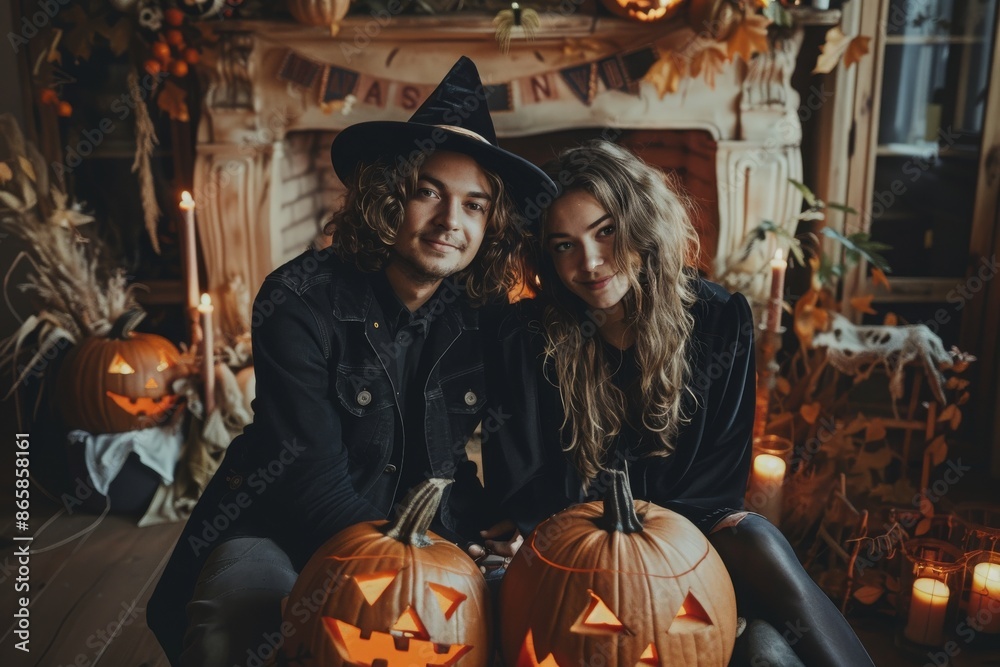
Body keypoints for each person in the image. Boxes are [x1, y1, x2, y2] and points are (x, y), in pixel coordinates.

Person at [147, 57, 555, 667]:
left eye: (474, 205)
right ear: (388, 196)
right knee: (235, 626)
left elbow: (518, 436)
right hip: (281, 525)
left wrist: (514, 523)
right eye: (428, 192)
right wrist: (419, 566)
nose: (450, 222)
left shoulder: (485, 313)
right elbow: (310, 480)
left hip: (428, 528)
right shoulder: (298, 300)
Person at [481, 140, 876, 667]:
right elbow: (521, 484)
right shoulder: (527, 337)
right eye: (564, 245)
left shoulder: (719, 320)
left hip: (692, 541)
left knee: (756, 538)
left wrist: (655, 541)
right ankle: (758, 641)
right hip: (576, 547)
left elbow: (718, 484)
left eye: (605, 231)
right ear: (547, 256)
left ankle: (768, 639)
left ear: (640, 225)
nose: (590, 262)